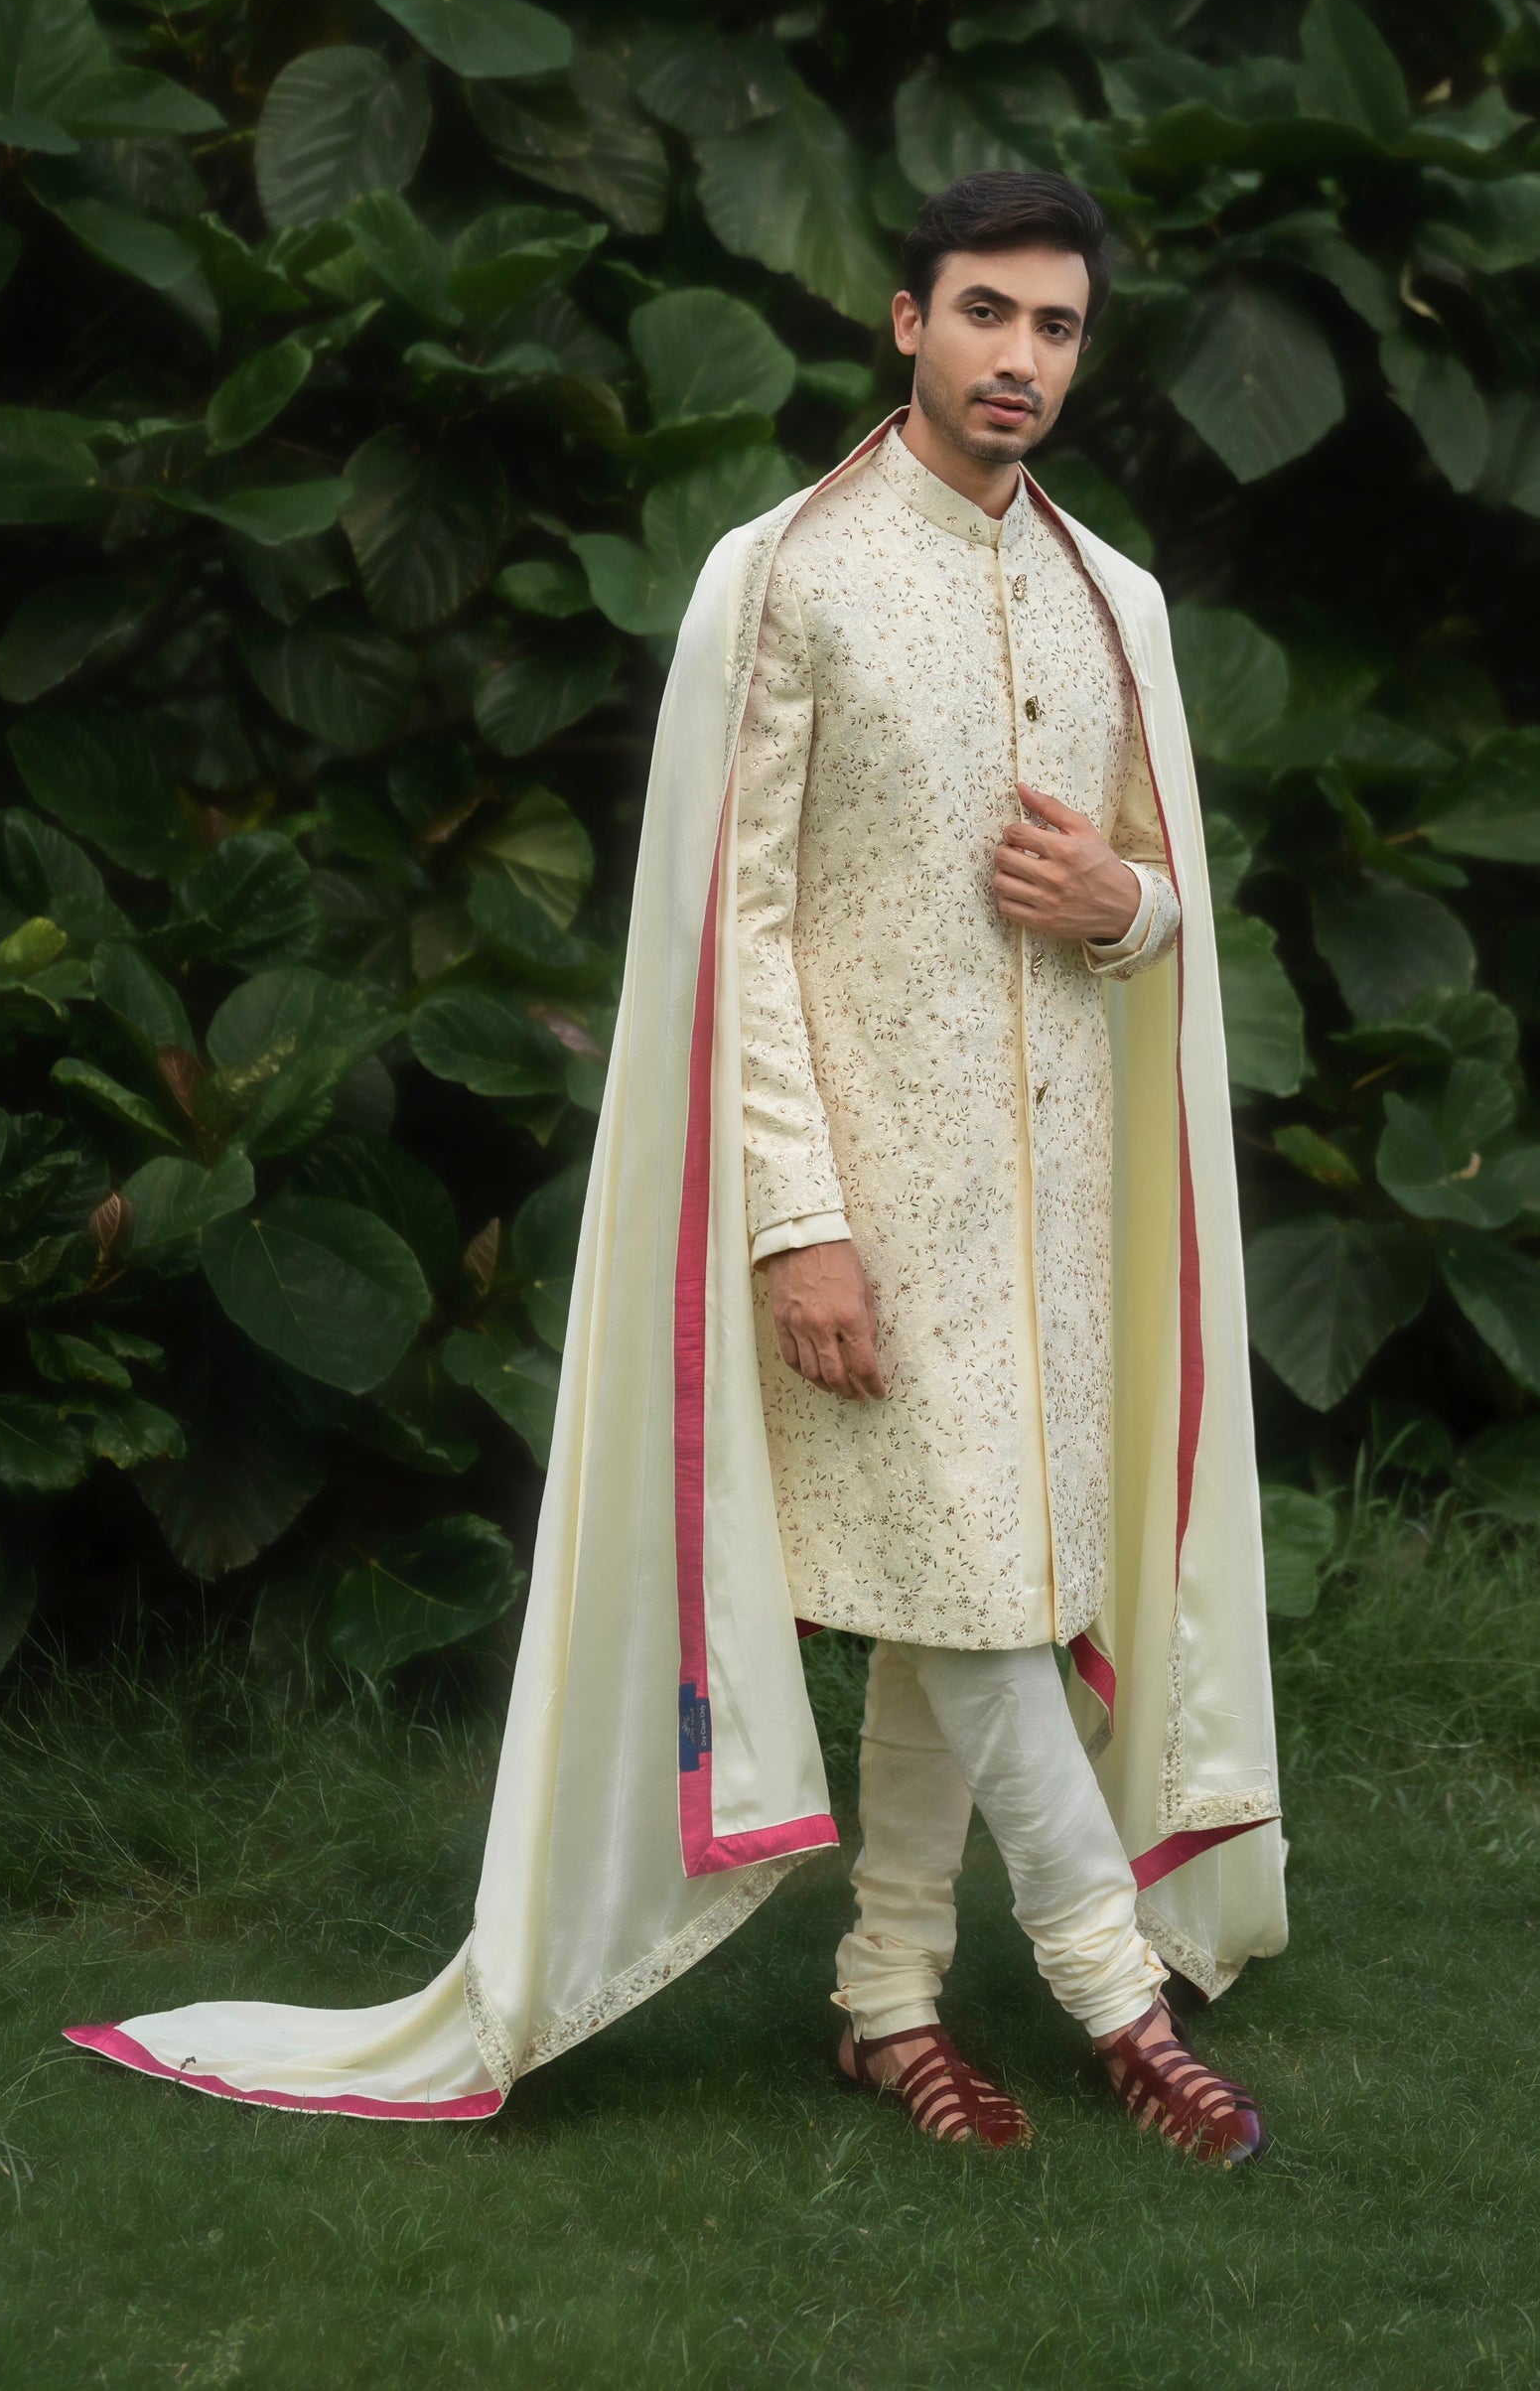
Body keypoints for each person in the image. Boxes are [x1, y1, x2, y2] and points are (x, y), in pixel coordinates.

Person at [64, 171, 1286, 2158]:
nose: (1019, 361)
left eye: (1056, 328)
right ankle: (1112, 1995)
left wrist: (1121, 899)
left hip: (1065, 1226)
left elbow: (1170, 923)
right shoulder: (783, 573)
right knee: (971, 1595)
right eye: (985, 315)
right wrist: (795, 1227)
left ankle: (889, 1998)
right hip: (868, 1212)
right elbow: (743, 936)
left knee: (951, 1596)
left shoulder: (1114, 600)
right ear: (904, 321)